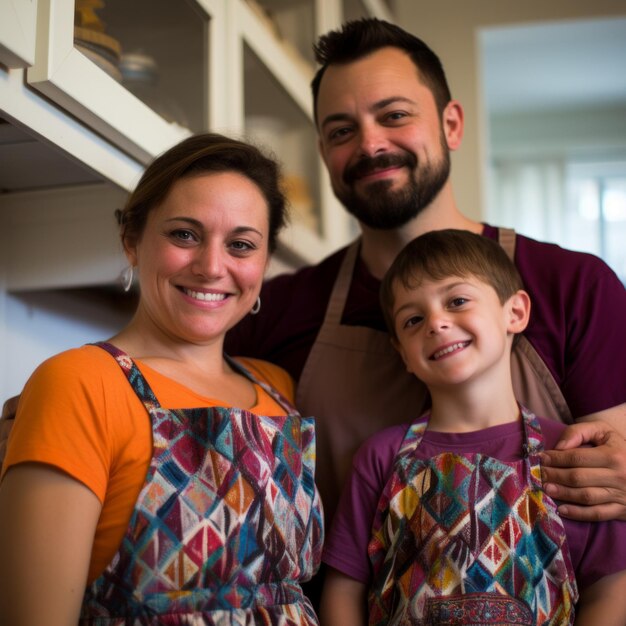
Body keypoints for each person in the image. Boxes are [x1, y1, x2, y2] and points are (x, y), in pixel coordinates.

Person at [225, 17, 626, 526]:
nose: (370, 145)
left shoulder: (575, 287)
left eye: (393, 115)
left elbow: (613, 493)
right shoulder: (274, 310)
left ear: (451, 125)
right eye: (342, 131)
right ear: (325, 153)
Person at [0, 133, 324, 626]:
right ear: (132, 240)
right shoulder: (78, 383)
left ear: (263, 263)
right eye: (184, 235)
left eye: (240, 245)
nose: (212, 266)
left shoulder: (278, 387)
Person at [320, 229, 626, 626]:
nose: (436, 322)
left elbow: (611, 586)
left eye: (457, 301)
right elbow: (344, 589)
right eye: (413, 319)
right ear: (404, 355)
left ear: (514, 313)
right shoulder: (381, 457)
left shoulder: (568, 453)